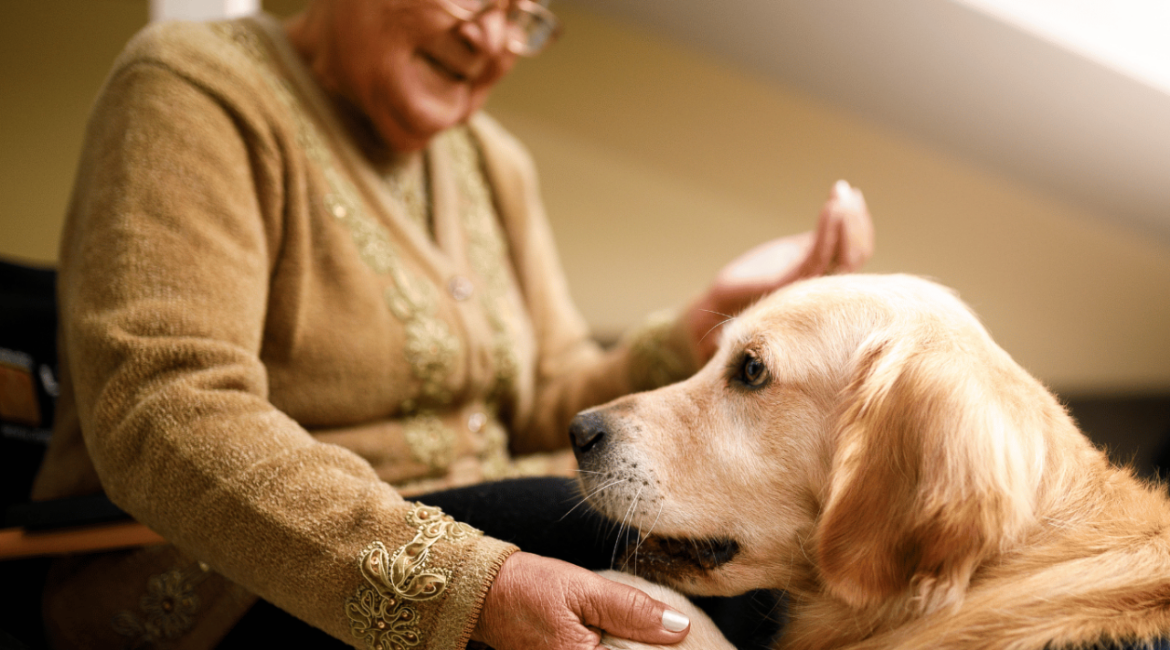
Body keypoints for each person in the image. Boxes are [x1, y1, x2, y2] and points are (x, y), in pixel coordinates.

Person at [29, 0, 874, 648]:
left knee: (770, 575)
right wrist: (470, 582)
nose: (497, 40)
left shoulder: (492, 162)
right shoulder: (194, 85)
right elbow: (161, 408)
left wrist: (700, 322)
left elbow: (552, 402)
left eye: (524, 15)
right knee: (601, 532)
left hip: (501, 518)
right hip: (235, 584)